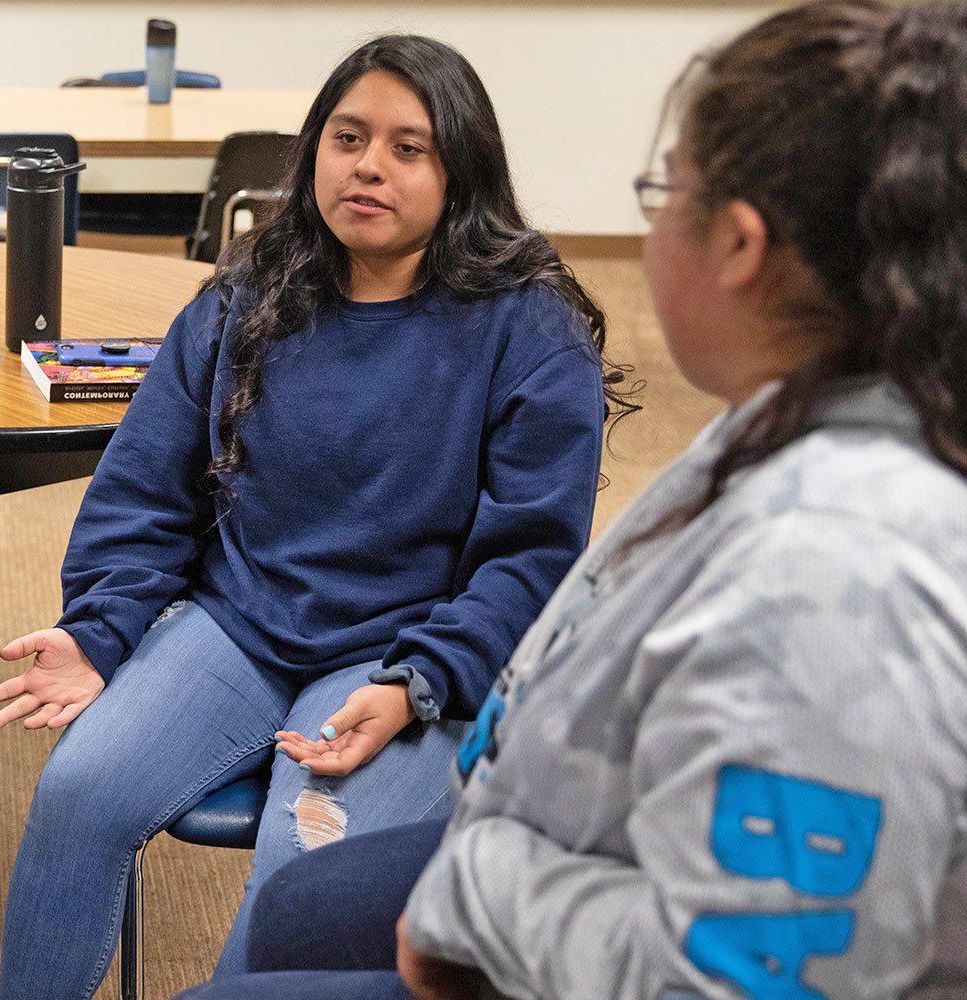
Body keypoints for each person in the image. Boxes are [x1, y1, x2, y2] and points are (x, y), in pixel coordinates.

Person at [188, 2, 967, 998]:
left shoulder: (833, 578)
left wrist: (486, 902)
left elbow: (746, 976)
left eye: (662, 191)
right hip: (583, 845)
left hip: (565, 921)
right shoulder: (789, 411)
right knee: (302, 911)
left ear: (738, 245)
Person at [0, 33, 630, 999]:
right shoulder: (250, 292)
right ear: (313, 149)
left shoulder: (530, 330)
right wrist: (99, 629)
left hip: (401, 658)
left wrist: (425, 680)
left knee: (304, 874)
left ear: (464, 172)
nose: (369, 166)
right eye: (348, 136)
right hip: (238, 629)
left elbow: (529, 564)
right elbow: (148, 489)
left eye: (411, 148)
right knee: (77, 793)